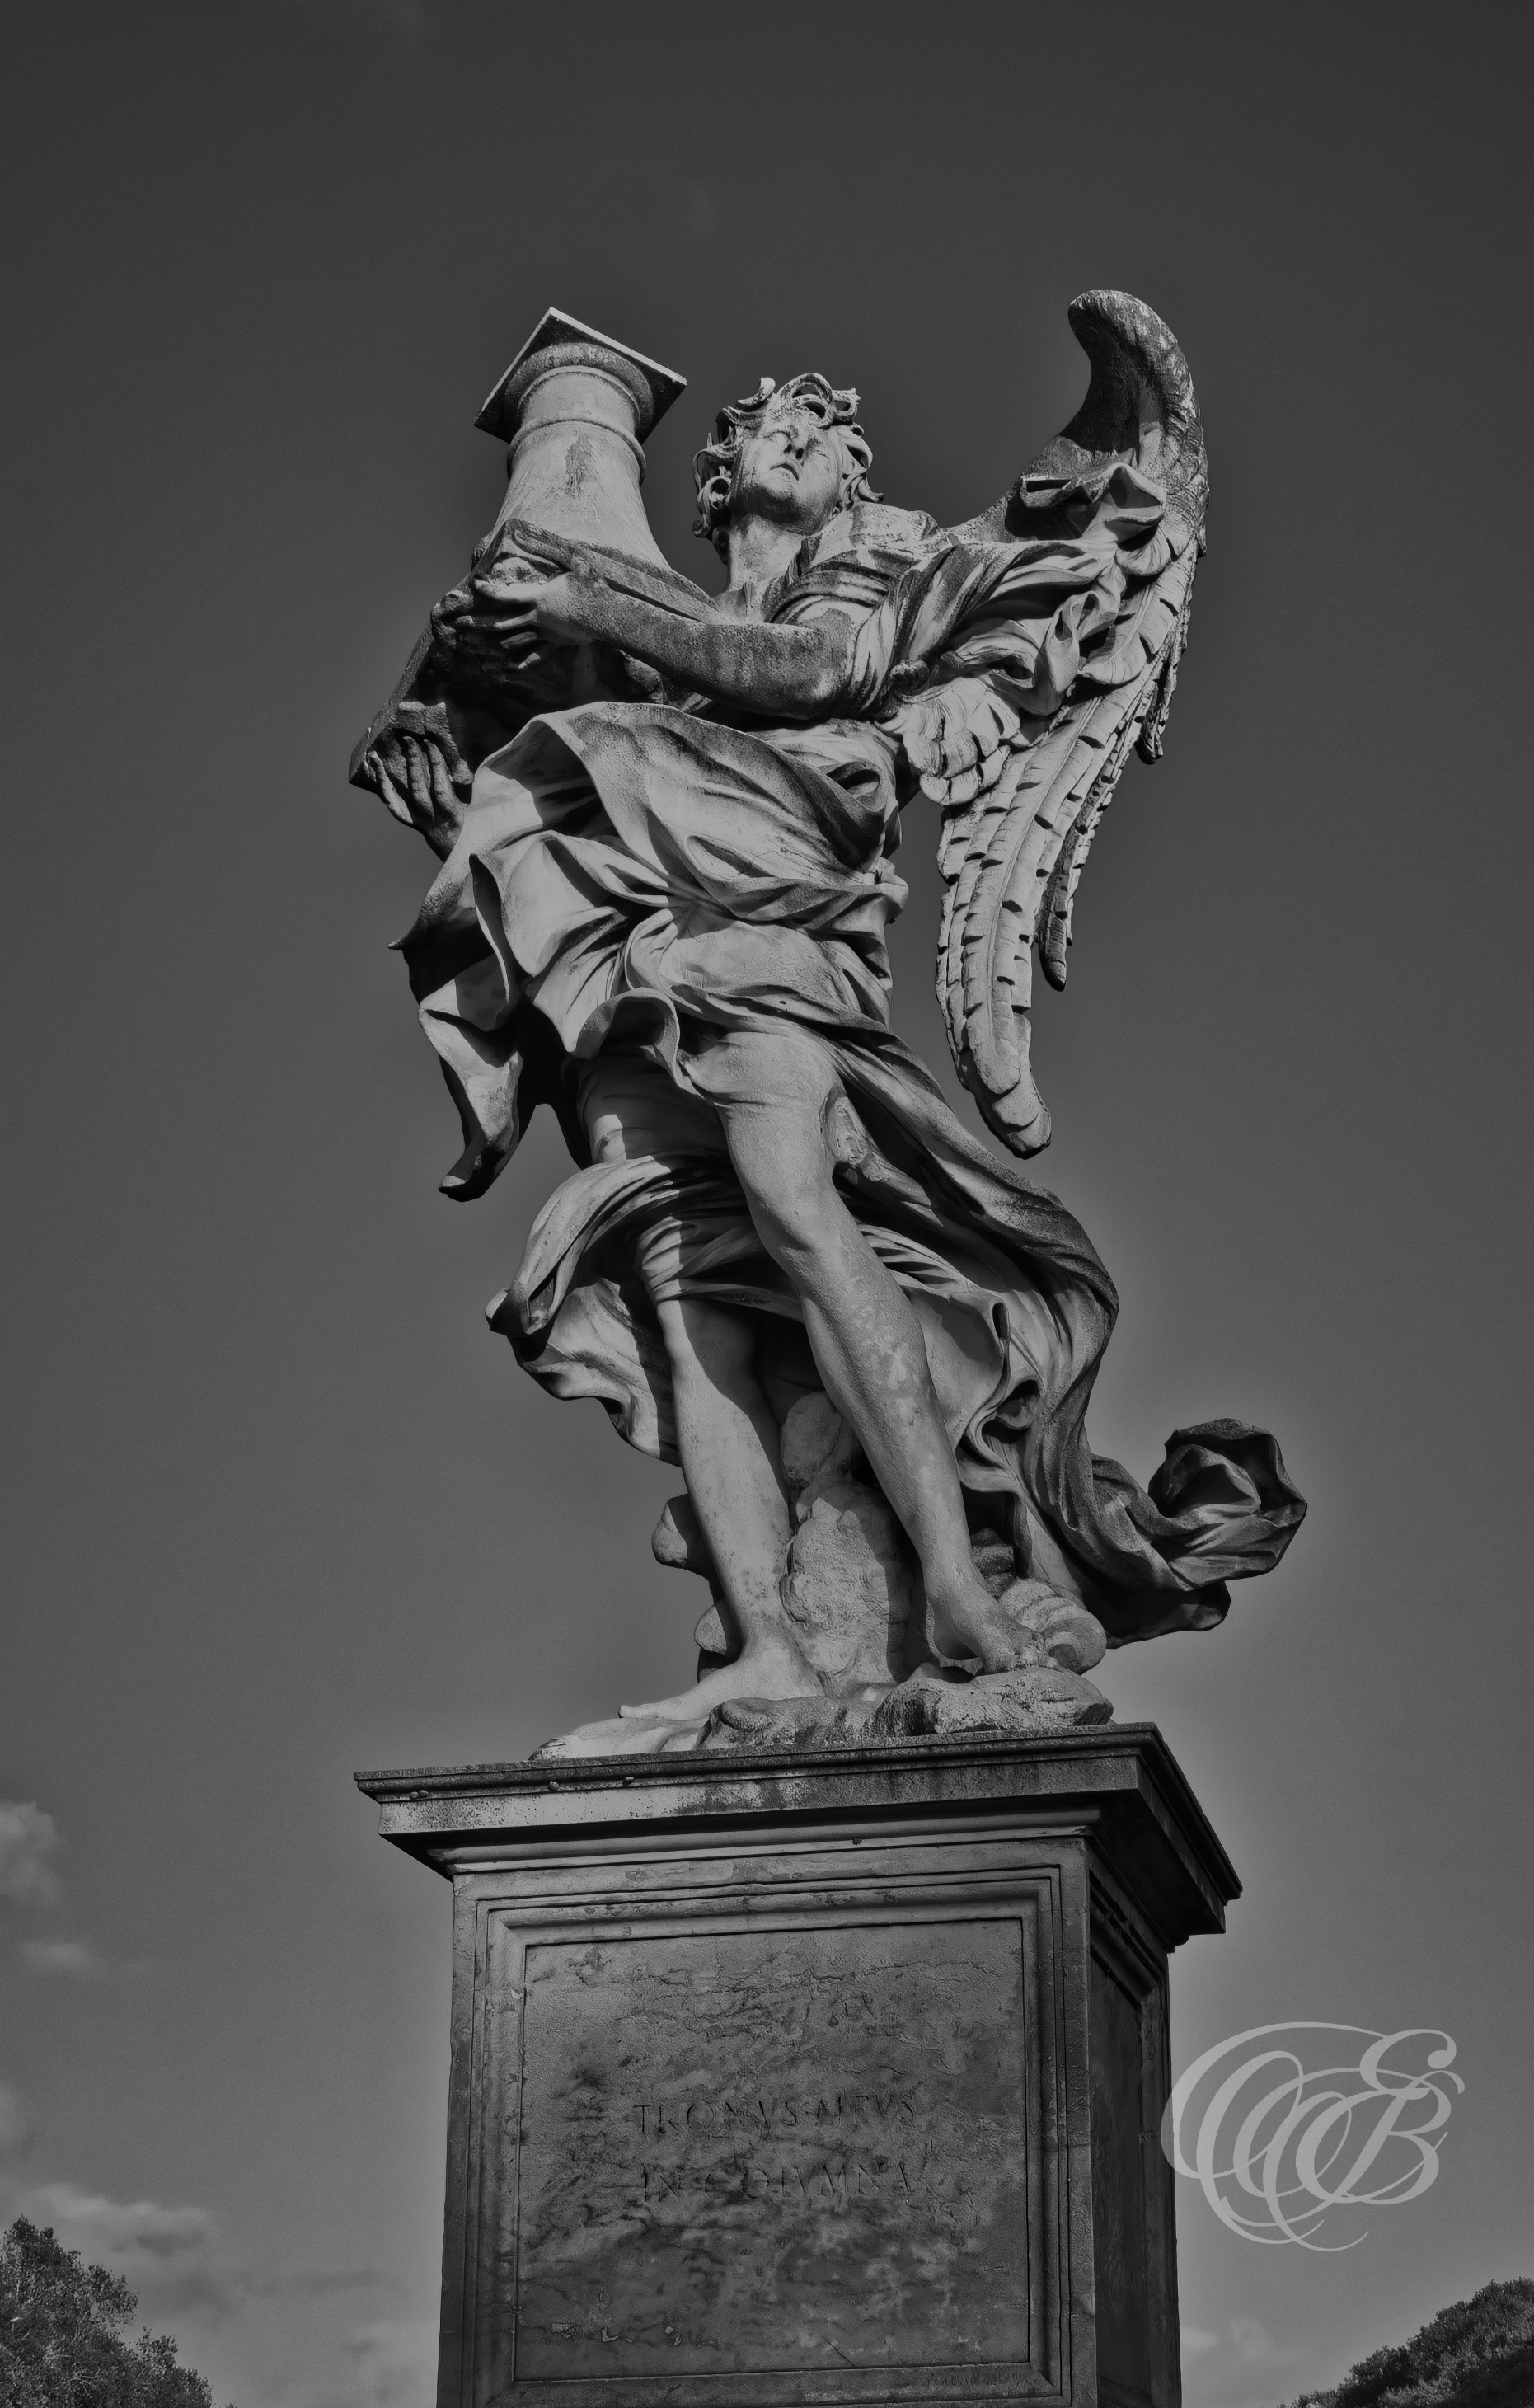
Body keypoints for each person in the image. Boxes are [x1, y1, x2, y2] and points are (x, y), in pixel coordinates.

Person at [392, 372, 1302, 1725]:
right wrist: (455, 779)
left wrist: (582, 598)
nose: (798, 443)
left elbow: (826, 675)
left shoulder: (867, 557)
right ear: (715, 476)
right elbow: (613, 791)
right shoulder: (671, 637)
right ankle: (767, 1646)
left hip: (771, 923)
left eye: (823, 434)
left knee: (796, 1204)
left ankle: (952, 1582)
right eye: (770, 427)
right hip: (638, 957)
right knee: (685, 1299)